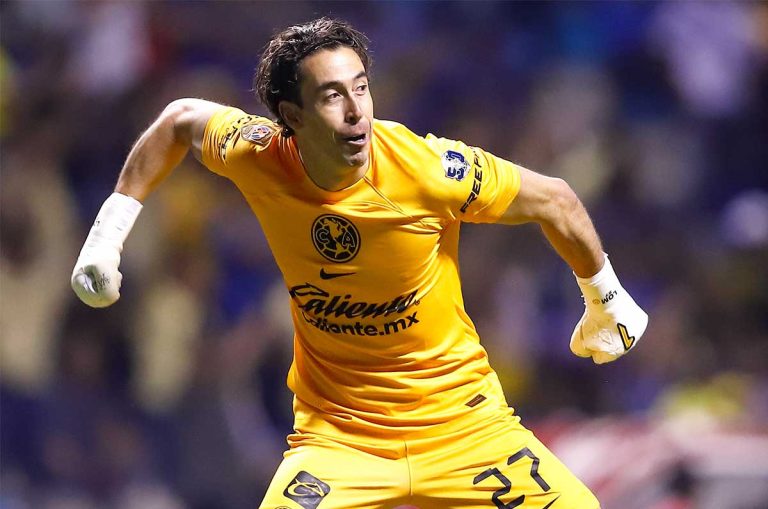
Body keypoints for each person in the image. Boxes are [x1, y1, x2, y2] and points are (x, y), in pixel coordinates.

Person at [71, 17, 648, 509]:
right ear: (292, 116)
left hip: (465, 428)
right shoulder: (258, 153)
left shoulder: (427, 169)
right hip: (339, 444)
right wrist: (106, 237)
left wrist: (605, 298)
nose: (356, 113)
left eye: (362, 89)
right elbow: (178, 121)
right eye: (331, 96)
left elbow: (556, 199)